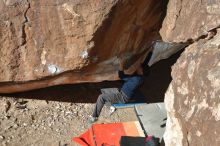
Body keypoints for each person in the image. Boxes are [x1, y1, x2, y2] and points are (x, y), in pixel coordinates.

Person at [89, 52, 152, 123]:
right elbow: (145, 63)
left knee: (101, 97)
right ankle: (111, 106)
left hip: (122, 97)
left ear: (142, 71)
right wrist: (150, 52)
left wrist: (121, 63)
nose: (138, 67)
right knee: (104, 91)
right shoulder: (141, 77)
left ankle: (94, 117)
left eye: (140, 67)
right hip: (121, 92)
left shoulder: (136, 79)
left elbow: (121, 76)